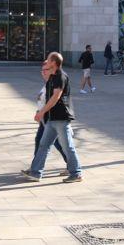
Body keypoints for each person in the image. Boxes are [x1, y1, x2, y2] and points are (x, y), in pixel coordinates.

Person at [21, 52, 83, 183]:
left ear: (54, 63)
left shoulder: (61, 76)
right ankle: (36, 173)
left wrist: (42, 112)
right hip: (52, 119)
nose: (46, 62)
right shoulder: (53, 77)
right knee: (43, 145)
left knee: (67, 146)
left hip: (60, 118)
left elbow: (56, 97)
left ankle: (76, 173)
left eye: (48, 60)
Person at [32, 62, 67, 173]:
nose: (43, 72)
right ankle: (35, 168)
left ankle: (72, 166)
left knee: (56, 143)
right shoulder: (47, 83)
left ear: (52, 70)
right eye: (42, 70)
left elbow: (53, 101)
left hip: (51, 118)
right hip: (44, 118)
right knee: (41, 141)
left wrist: (42, 112)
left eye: (45, 70)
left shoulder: (54, 83)